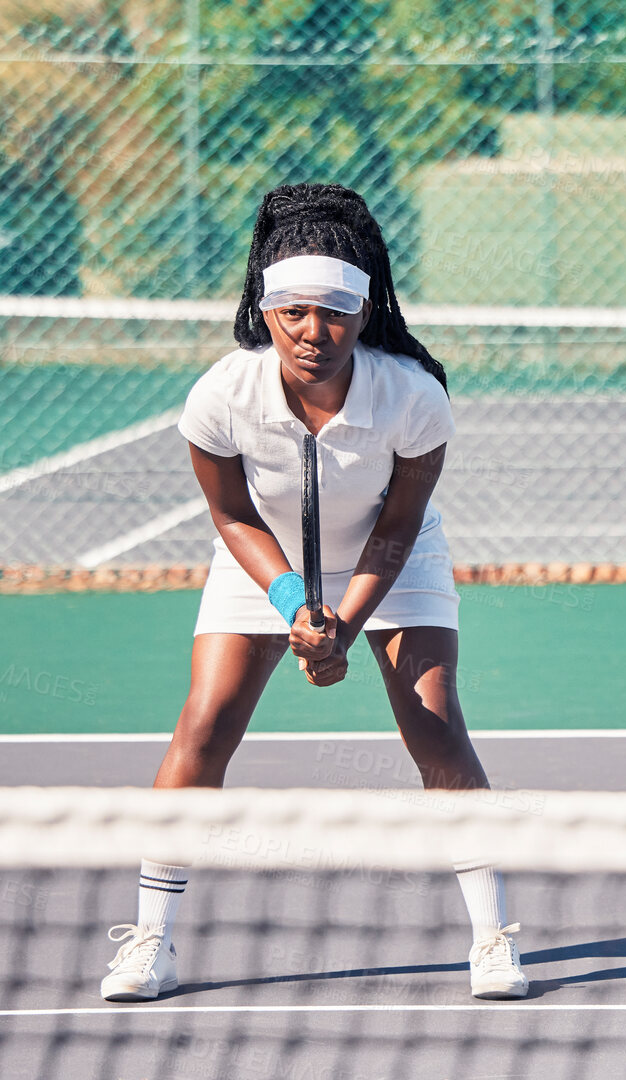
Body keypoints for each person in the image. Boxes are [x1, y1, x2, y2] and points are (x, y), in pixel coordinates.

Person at [100, 183, 528, 1002]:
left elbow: (399, 528)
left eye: (333, 312)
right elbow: (231, 516)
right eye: (294, 311)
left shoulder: (412, 395)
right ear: (265, 312)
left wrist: (343, 624)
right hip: (263, 562)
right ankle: (150, 941)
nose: (313, 331)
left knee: (436, 727)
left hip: (393, 562)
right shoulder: (222, 395)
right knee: (205, 723)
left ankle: (492, 937)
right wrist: (297, 607)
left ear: (364, 313)